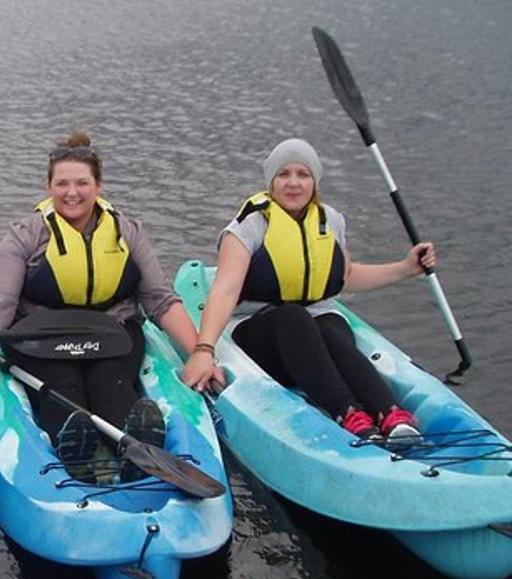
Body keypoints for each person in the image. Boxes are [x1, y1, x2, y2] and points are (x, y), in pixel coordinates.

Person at [0, 132, 218, 480]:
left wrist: (201, 352)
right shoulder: (25, 236)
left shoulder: (128, 232)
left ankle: (137, 443)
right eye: (62, 184)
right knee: (63, 385)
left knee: (111, 382)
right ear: (48, 187)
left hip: (112, 334)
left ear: (98, 186)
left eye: (81, 183)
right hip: (41, 337)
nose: (71, 193)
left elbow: (160, 300)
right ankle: (74, 443)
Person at [180, 138, 435, 445]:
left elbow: (346, 277)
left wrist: (406, 269)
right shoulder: (248, 226)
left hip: (315, 330)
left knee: (330, 326)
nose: (293, 183)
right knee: (293, 316)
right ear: (271, 181)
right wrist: (204, 350)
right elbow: (225, 290)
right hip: (261, 335)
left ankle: (390, 413)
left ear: (314, 182)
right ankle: (347, 412)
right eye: (283, 174)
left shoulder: (330, 221)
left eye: (303, 175)